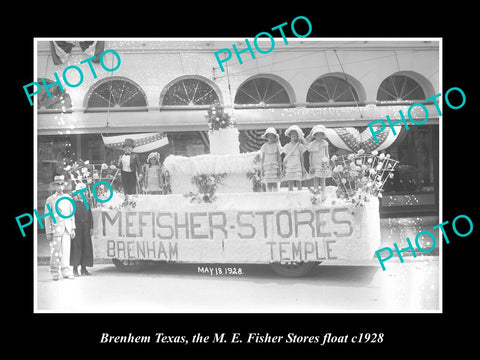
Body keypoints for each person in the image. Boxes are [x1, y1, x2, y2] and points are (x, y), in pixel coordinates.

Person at [44, 175, 76, 281]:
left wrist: (73, 228)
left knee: (66, 250)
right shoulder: (50, 200)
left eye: (62, 184)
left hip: (67, 228)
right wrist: (48, 231)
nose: (60, 187)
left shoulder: (68, 198)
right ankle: (54, 272)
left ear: (64, 186)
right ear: (54, 186)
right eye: (57, 185)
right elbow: (47, 217)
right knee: (55, 251)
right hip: (56, 229)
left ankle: (66, 271)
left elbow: (72, 214)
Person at [70, 183, 94, 276]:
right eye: (79, 192)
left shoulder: (87, 203)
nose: (81, 194)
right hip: (77, 226)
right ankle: (75, 269)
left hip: (86, 227)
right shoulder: (73, 203)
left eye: (83, 192)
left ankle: (84, 268)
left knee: (86, 247)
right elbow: (71, 217)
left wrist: (91, 227)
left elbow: (90, 215)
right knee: (76, 247)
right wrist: (72, 228)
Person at [306, 125, 332, 200]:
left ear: (323, 135)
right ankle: (316, 195)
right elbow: (310, 156)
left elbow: (327, 154)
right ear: (314, 135)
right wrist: (311, 165)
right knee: (316, 180)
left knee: (323, 180)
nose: (319, 136)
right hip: (315, 163)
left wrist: (327, 162)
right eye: (317, 134)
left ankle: (323, 195)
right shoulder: (312, 144)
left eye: (320, 134)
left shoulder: (325, 143)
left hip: (322, 163)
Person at [117, 138, 142, 203]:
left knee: (132, 188)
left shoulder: (135, 156)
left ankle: (133, 202)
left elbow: (139, 165)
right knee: (125, 188)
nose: (128, 149)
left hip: (132, 173)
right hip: (124, 174)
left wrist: (140, 173)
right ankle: (126, 201)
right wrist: (119, 162)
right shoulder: (121, 156)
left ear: (132, 148)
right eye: (126, 147)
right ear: (124, 148)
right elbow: (118, 167)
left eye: (130, 147)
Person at [283, 125, 307, 191]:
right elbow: (285, 158)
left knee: (298, 182)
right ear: (290, 135)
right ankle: (290, 198)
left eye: (295, 134)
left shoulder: (300, 146)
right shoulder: (287, 146)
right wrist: (284, 168)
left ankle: (299, 197)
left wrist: (302, 167)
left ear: (298, 135)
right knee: (290, 183)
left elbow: (302, 157)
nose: (293, 135)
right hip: (289, 166)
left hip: (297, 165)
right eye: (292, 133)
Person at [260, 128, 282, 192]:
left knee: (274, 183)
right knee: (269, 183)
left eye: (272, 135)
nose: (270, 137)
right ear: (266, 137)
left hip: (275, 167)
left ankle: (275, 197)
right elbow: (263, 158)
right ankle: (269, 197)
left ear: (274, 137)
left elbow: (278, 157)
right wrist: (262, 169)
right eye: (268, 136)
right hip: (267, 167)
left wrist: (279, 168)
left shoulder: (276, 146)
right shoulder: (264, 146)